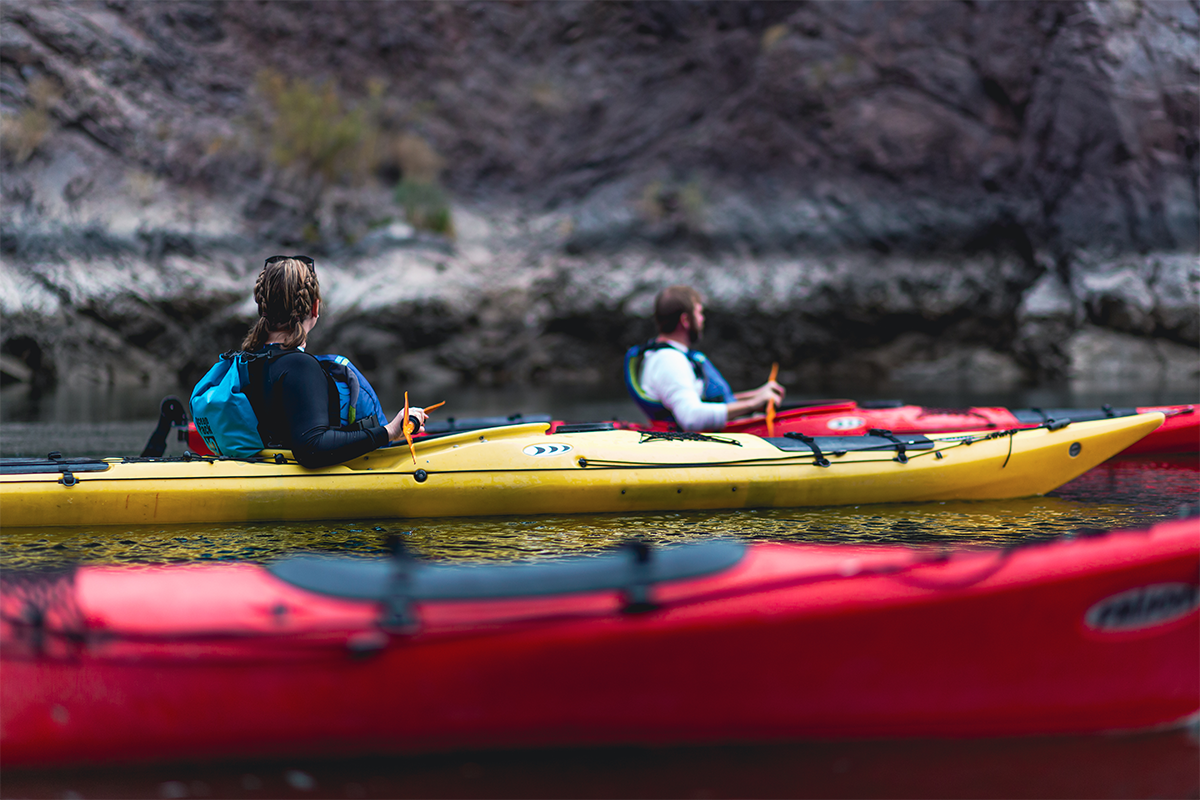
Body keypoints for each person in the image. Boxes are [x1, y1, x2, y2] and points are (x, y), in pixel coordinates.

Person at [240, 255, 427, 467]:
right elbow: (312, 447)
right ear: (315, 308)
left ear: (262, 308)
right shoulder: (300, 367)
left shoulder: (249, 362)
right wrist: (390, 431)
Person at [625, 285, 784, 432]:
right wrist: (751, 405)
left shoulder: (670, 356)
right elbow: (692, 418)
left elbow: (705, 401)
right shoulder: (669, 361)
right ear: (685, 320)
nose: (702, 319)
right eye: (699, 313)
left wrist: (757, 396)